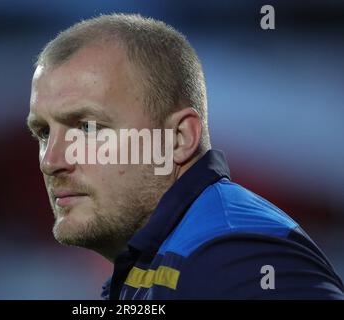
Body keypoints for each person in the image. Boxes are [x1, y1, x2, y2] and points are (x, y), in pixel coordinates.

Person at [27, 13, 344, 299]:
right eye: (43, 132)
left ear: (179, 138)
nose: (51, 161)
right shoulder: (163, 257)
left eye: (88, 127)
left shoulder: (235, 258)